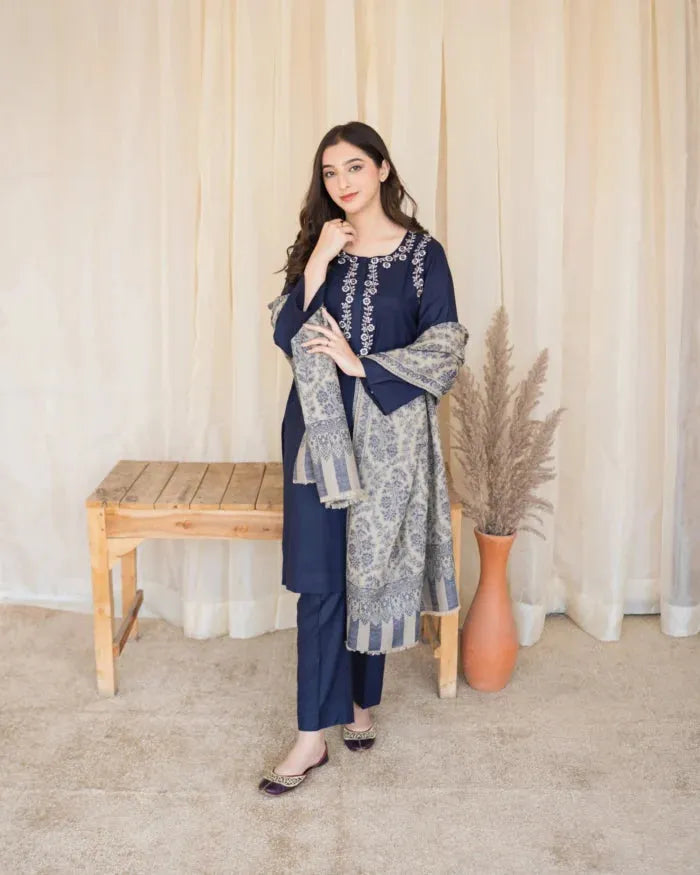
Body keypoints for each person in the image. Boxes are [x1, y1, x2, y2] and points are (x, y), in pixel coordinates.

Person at [259, 121, 460, 795]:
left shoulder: (423, 255)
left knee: (370, 572)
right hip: (317, 440)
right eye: (329, 172)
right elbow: (287, 333)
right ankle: (310, 736)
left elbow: (445, 348)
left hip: (389, 441)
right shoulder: (321, 248)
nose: (342, 182)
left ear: (382, 169)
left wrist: (360, 363)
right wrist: (317, 262)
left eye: (353, 167)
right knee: (320, 580)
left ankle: (359, 702)